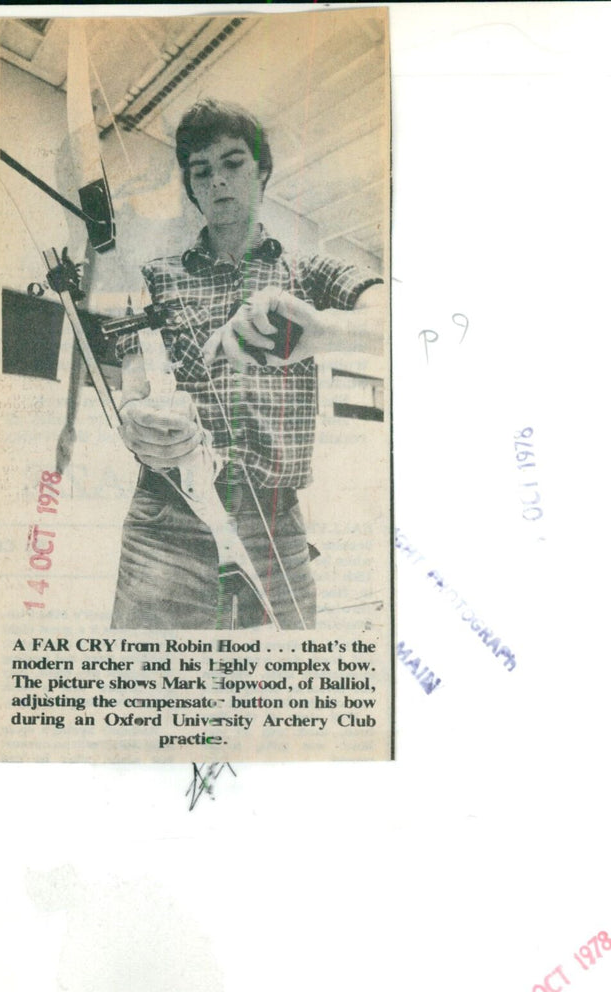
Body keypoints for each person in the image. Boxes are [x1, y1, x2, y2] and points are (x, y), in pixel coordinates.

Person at [111, 98, 385, 630]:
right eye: (201, 171)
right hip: (165, 523)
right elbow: (134, 386)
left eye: (233, 162)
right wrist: (135, 418)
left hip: (276, 527)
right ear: (191, 187)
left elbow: (402, 317)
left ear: (262, 171)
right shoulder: (155, 277)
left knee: (288, 690)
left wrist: (328, 330)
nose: (217, 181)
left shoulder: (310, 271)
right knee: (146, 691)